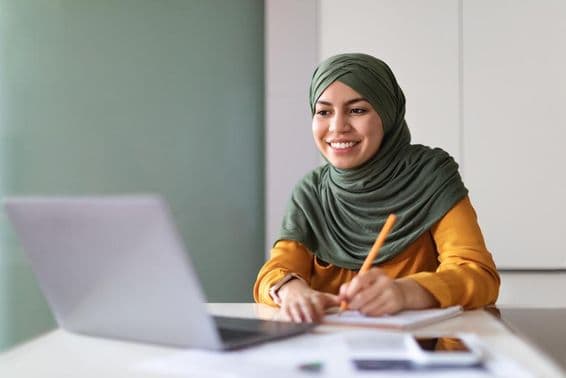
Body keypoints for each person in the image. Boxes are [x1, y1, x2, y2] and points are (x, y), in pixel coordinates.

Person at [253, 53, 500, 323]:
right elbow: (275, 271)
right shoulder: (312, 191)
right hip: (331, 354)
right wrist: (291, 291)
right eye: (323, 112)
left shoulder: (430, 175)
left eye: (357, 110)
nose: (337, 127)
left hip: (421, 353)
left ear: (387, 113)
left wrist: (407, 293)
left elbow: (478, 275)